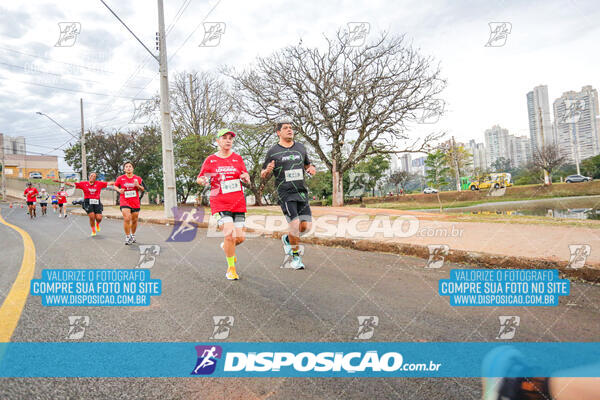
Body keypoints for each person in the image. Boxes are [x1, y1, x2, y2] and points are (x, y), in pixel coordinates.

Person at [261, 121, 316, 270]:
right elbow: (263, 174)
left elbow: (307, 164)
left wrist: (311, 168)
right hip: (285, 193)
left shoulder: (300, 147)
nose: (289, 130)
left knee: (306, 226)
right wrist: (268, 170)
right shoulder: (273, 151)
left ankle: (287, 239)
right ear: (278, 133)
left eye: (291, 128)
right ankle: (296, 258)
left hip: (301, 192)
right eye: (285, 128)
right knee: (294, 225)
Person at [198, 129, 250, 280]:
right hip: (219, 202)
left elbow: (245, 176)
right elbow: (200, 178)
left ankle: (227, 246)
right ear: (218, 141)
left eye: (230, 138)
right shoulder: (211, 160)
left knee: (239, 238)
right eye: (224, 138)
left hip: (238, 201)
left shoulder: (237, 158)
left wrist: (246, 177)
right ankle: (231, 268)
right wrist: (202, 181)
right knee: (229, 234)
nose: (228, 140)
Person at [114, 161, 144, 245]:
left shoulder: (138, 178)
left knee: (134, 220)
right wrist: (119, 190)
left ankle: (132, 235)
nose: (128, 168)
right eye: (126, 166)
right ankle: (127, 237)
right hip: (124, 201)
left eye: (130, 166)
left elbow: (143, 189)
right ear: (124, 169)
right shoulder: (120, 178)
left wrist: (138, 185)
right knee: (127, 218)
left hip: (135, 202)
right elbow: (115, 186)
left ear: (133, 168)